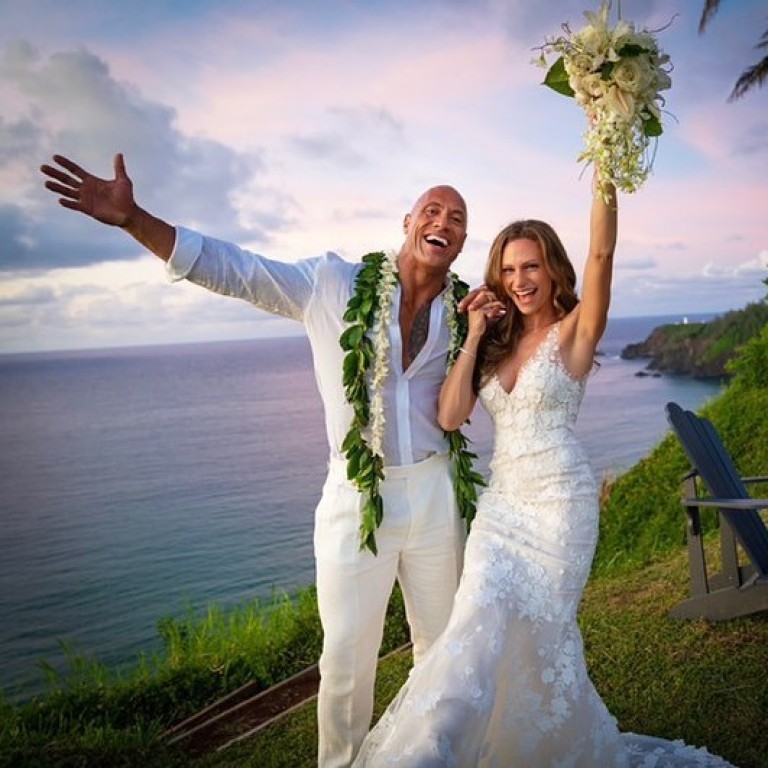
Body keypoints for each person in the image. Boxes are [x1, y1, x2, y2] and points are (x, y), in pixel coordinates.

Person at [39, 153, 494, 768]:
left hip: (437, 493)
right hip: (356, 500)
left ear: (464, 239)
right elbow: (241, 270)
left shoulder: (465, 313)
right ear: (408, 220)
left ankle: (439, 758)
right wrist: (135, 221)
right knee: (344, 659)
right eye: (433, 210)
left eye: (458, 217)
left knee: (441, 650)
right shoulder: (331, 284)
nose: (444, 222)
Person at [351, 176, 737, 767]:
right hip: (501, 511)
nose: (520, 281)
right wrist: (476, 334)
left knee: (538, 641)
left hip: (560, 511)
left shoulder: (577, 332)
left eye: (531, 267)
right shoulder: (495, 340)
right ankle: (435, 750)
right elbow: (451, 417)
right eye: (508, 270)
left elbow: (603, 254)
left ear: (553, 269)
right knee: (472, 629)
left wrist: (607, 156)